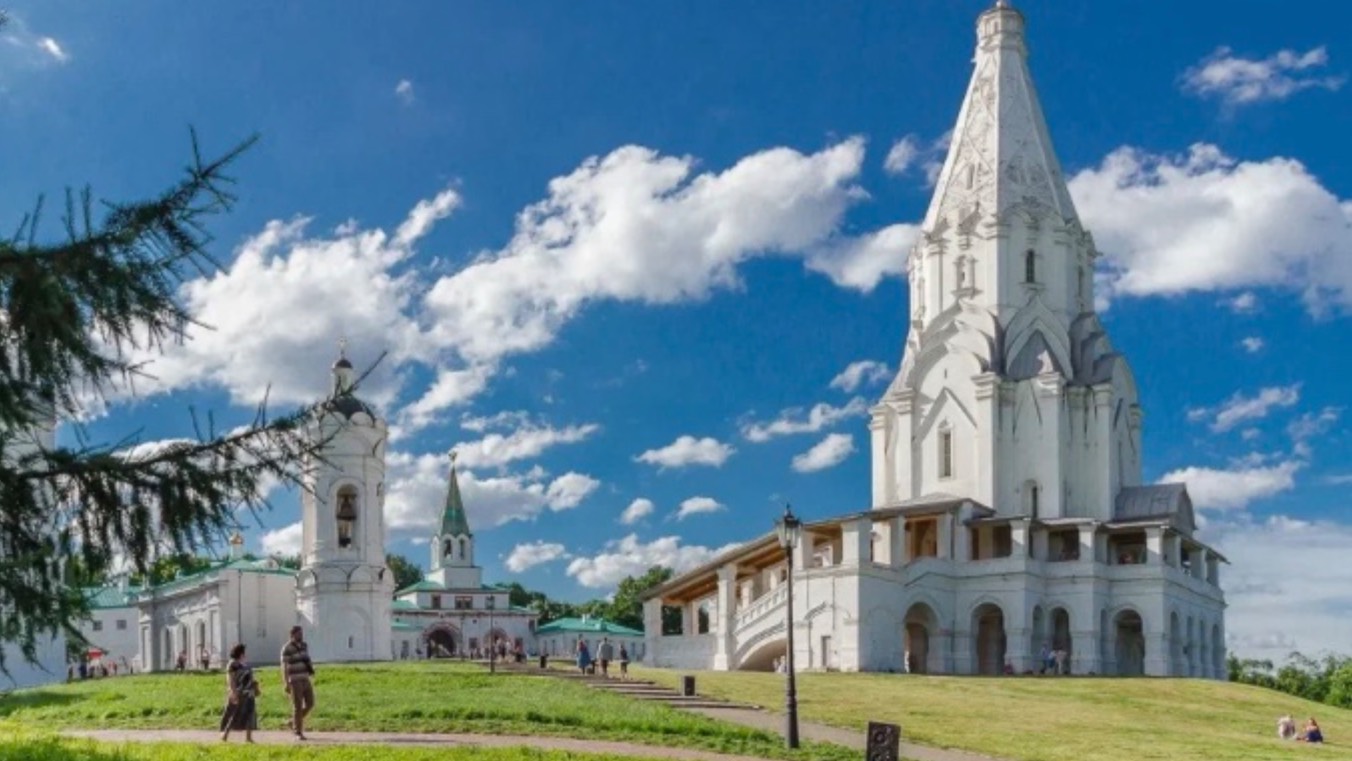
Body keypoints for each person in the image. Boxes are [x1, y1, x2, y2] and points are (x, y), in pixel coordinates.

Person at [280, 625, 316, 741]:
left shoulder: (304, 646)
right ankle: (298, 732)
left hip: (305, 678)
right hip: (294, 680)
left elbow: (307, 659)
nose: (301, 635)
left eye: (301, 633)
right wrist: (286, 682)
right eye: (299, 633)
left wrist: (311, 670)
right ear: (293, 634)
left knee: (310, 703)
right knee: (298, 706)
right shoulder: (287, 648)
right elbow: (284, 666)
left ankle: (293, 722)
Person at [219, 643, 259, 743]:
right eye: (244, 652)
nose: (245, 654)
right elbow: (231, 679)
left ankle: (248, 737)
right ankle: (225, 735)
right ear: (240, 653)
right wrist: (233, 692)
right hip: (239, 692)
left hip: (249, 692)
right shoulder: (233, 664)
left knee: (250, 714)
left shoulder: (245, 664)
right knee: (234, 715)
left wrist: (256, 688)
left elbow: (251, 678)